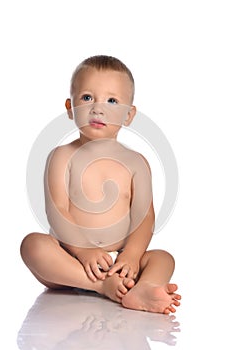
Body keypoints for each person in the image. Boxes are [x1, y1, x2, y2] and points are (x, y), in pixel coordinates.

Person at [20, 55, 181, 314]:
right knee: (33, 245)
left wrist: (131, 255)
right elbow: (57, 210)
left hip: (119, 261)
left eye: (112, 101)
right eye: (86, 98)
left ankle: (143, 288)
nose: (98, 108)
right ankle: (102, 286)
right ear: (70, 107)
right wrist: (83, 251)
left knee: (162, 258)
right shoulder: (61, 156)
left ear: (129, 115)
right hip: (69, 260)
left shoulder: (137, 163)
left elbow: (144, 217)